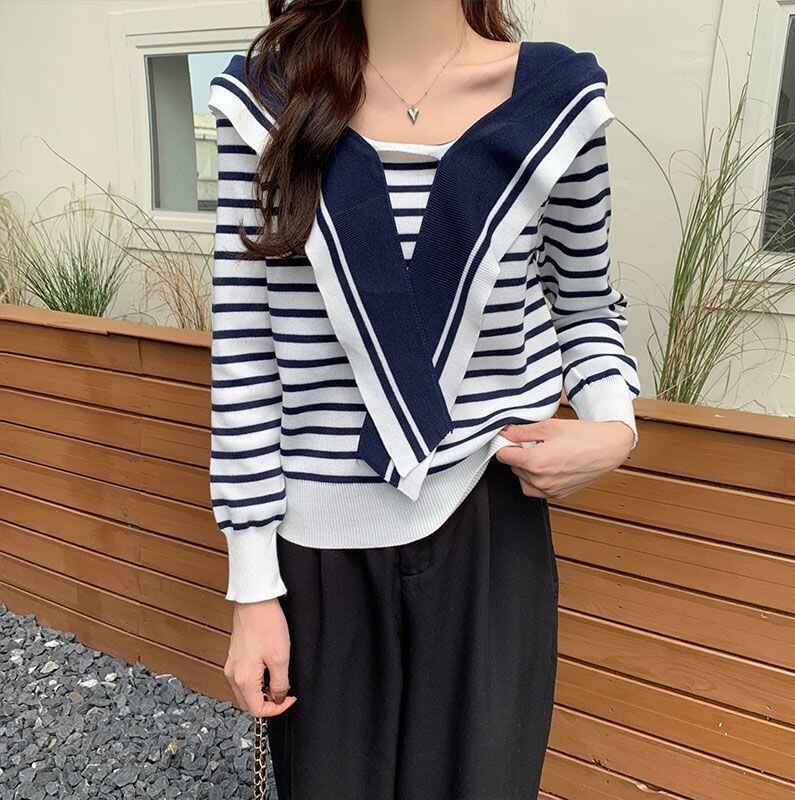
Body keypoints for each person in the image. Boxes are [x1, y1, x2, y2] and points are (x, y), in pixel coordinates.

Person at [207, 1, 640, 797]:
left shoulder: (556, 105)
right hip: (318, 549)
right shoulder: (266, 104)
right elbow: (245, 355)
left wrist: (614, 426)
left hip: (489, 526)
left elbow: (585, 304)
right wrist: (253, 587)